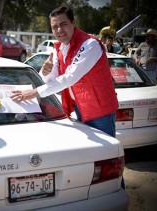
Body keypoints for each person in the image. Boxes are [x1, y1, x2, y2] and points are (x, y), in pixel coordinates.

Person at [11, 6, 118, 138]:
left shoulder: (90, 44)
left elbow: (69, 78)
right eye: (55, 27)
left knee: (106, 155)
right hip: (80, 109)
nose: (59, 30)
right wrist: (45, 71)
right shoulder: (59, 48)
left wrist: (33, 93)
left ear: (74, 23)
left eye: (63, 24)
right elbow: (50, 81)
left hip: (100, 112)